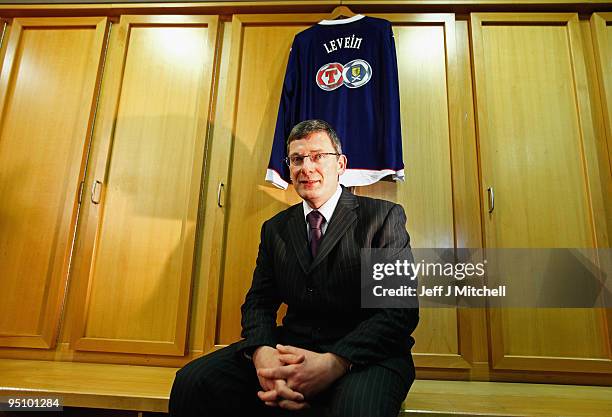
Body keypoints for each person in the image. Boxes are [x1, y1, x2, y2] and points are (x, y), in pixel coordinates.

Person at [169, 119, 418, 417]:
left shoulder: (382, 218)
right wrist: (263, 354)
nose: (306, 167)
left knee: (354, 409)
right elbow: (258, 303)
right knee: (193, 383)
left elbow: (398, 311)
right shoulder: (275, 229)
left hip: (367, 356)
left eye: (317, 156)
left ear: (340, 164)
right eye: (297, 159)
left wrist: (334, 362)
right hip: (291, 350)